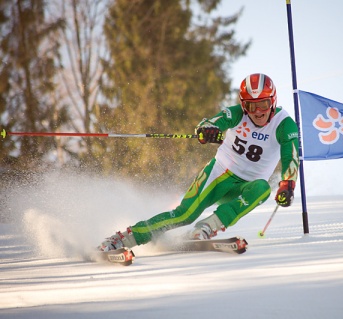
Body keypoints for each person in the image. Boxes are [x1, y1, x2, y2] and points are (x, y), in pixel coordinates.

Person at [98, 73, 299, 252]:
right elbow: (212, 122)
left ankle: (205, 228)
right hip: (219, 175)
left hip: (247, 186)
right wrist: (207, 130)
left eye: (263, 104)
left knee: (263, 188)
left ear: (272, 101)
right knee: (184, 214)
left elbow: (291, 155)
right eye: (251, 105)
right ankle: (124, 238)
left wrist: (287, 185)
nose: (258, 111)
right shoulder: (237, 113)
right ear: (244, 105)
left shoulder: (284, 124)